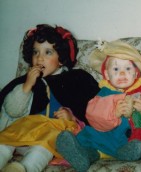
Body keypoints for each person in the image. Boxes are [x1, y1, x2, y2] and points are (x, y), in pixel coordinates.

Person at [56, 40, 141, 172]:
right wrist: (113, 113)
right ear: (107, 75)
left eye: (128, 68)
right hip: (112, 137)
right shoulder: (103, 93)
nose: (122, 73)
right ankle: (84, 156)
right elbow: (93, 115)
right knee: (91, 137)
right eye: (116, 69)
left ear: (136, 73)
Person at [0, 24, 100, 172]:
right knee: (4, 141)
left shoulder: (76, 80)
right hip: (25, 132)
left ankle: (23, 168)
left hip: (53, 135)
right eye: (35, 52)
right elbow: (12, 111)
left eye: (48, 52)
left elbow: (92, 112)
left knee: (43, 148)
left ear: (61, 59)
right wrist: (26, 86)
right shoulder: (26, 81)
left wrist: (70, 117)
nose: (39, 58)